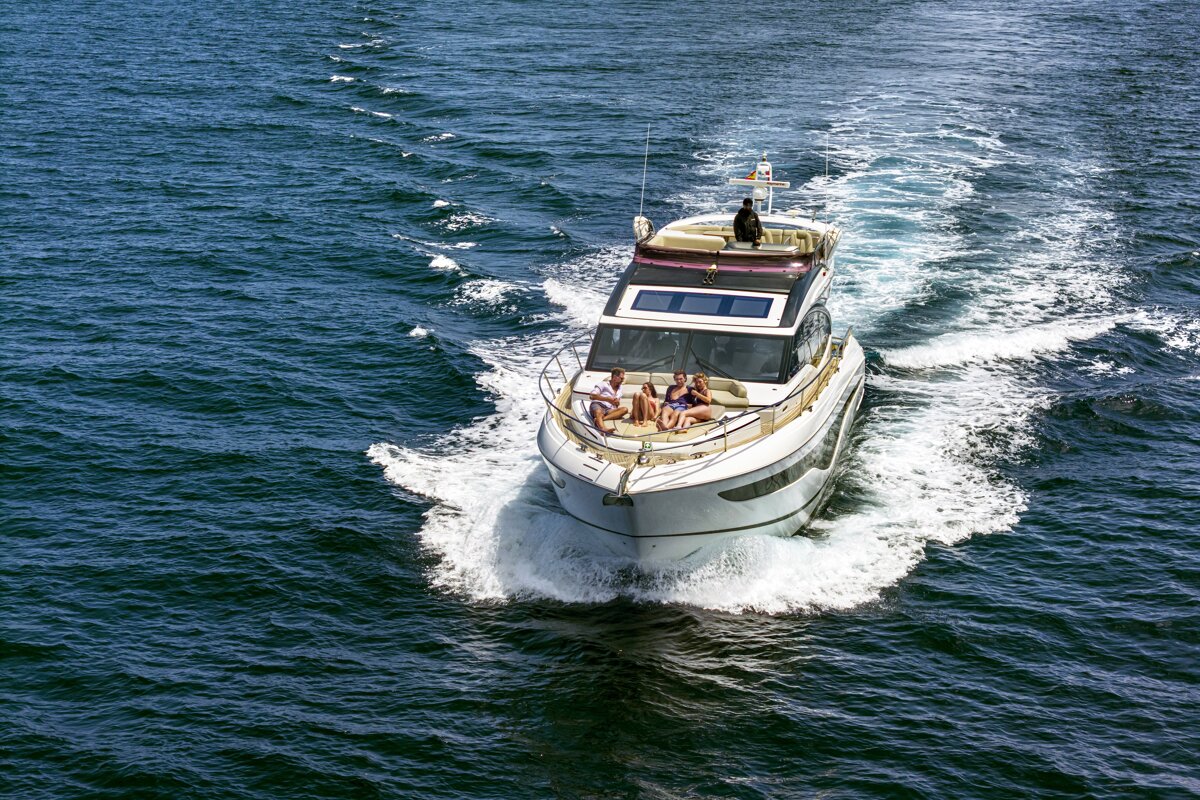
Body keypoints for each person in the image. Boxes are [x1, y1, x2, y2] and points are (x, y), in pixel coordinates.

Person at [589, 367, 629, 434]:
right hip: (598, 404)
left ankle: (600, 419)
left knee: (625, 409)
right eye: (621, 378)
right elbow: (592, 396)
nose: (623, 380)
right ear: (615, 377)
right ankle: (603, 429)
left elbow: (617, 404)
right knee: (598, 411)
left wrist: (617, 402)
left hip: (609, 409)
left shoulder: (620, 388)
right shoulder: (603, 384)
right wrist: (607, 399)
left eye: (623, 378)